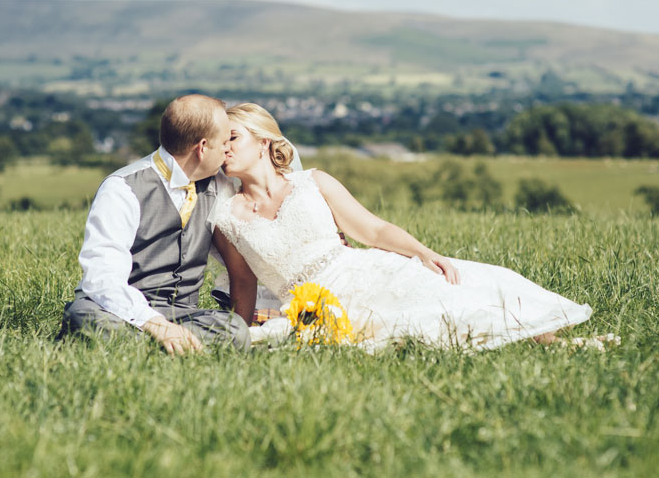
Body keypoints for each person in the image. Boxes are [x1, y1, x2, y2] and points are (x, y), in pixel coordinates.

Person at [211, 103, 595, 351]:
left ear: (263, 142)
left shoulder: (314, 182)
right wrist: (240, 338)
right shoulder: (226, 218)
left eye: (234, 138)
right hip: (313, 308)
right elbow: (243, 284)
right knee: (420, 334)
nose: (225, 148)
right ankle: (549, 345)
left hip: (366, 272)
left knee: (454, 300)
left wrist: (424, 253)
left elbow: (374, 231)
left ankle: (558, 343)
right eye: (220, 142)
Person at [58, 94, 258, 355]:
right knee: (86, 317)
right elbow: (102, 280)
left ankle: (134, 349)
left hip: (182, 314)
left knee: (234, 329)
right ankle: (179, 348)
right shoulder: (122, 189)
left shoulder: (219, 187)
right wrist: (155, 325)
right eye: (223, 143)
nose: (226, 151)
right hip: (120, 311)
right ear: (203, 147)